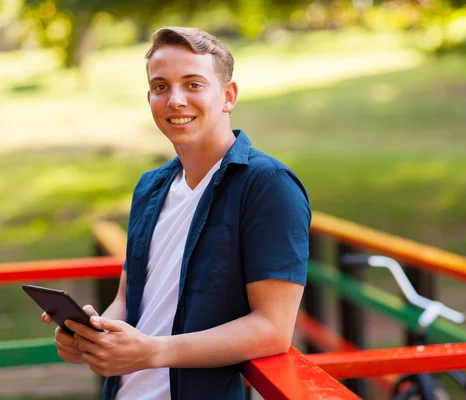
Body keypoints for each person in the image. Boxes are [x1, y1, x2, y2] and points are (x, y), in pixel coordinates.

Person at [41, 26, 311, 400]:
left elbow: (273, 328)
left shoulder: (268, 185)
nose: (175, 100)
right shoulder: (150, 187)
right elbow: (127, 298)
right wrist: (93, 334)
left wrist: (152, 352)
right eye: (161, 86)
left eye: (193, 84)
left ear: (227, 96)